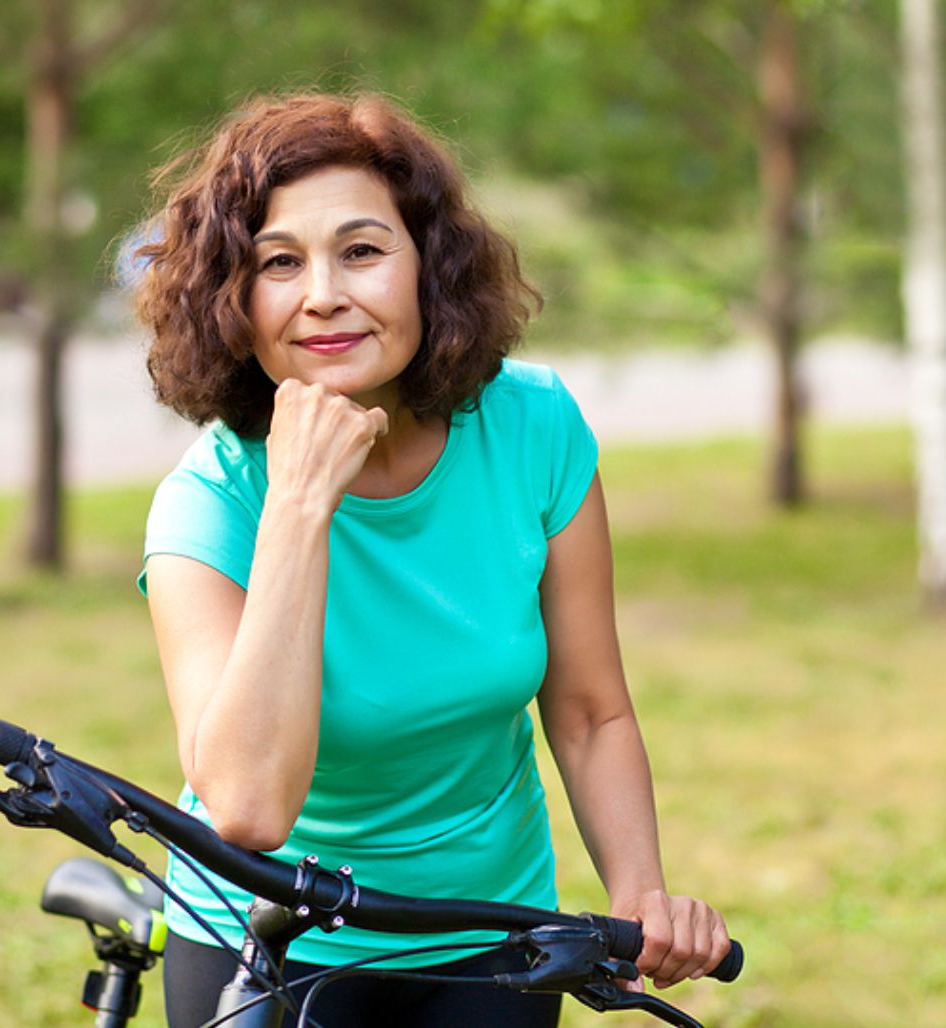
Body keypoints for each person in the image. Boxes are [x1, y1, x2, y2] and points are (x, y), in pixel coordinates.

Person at [133, 92, 731, 1028]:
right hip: (264, 941)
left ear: (430, 269)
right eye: (278, 262)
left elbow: (587, 708)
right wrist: (297, 504)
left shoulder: (533, 429)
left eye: (362, 251)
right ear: (235, 302)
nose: (323, 292)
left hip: (486, 932)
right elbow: (246, 809)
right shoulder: (207, 503)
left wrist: (639, 890)